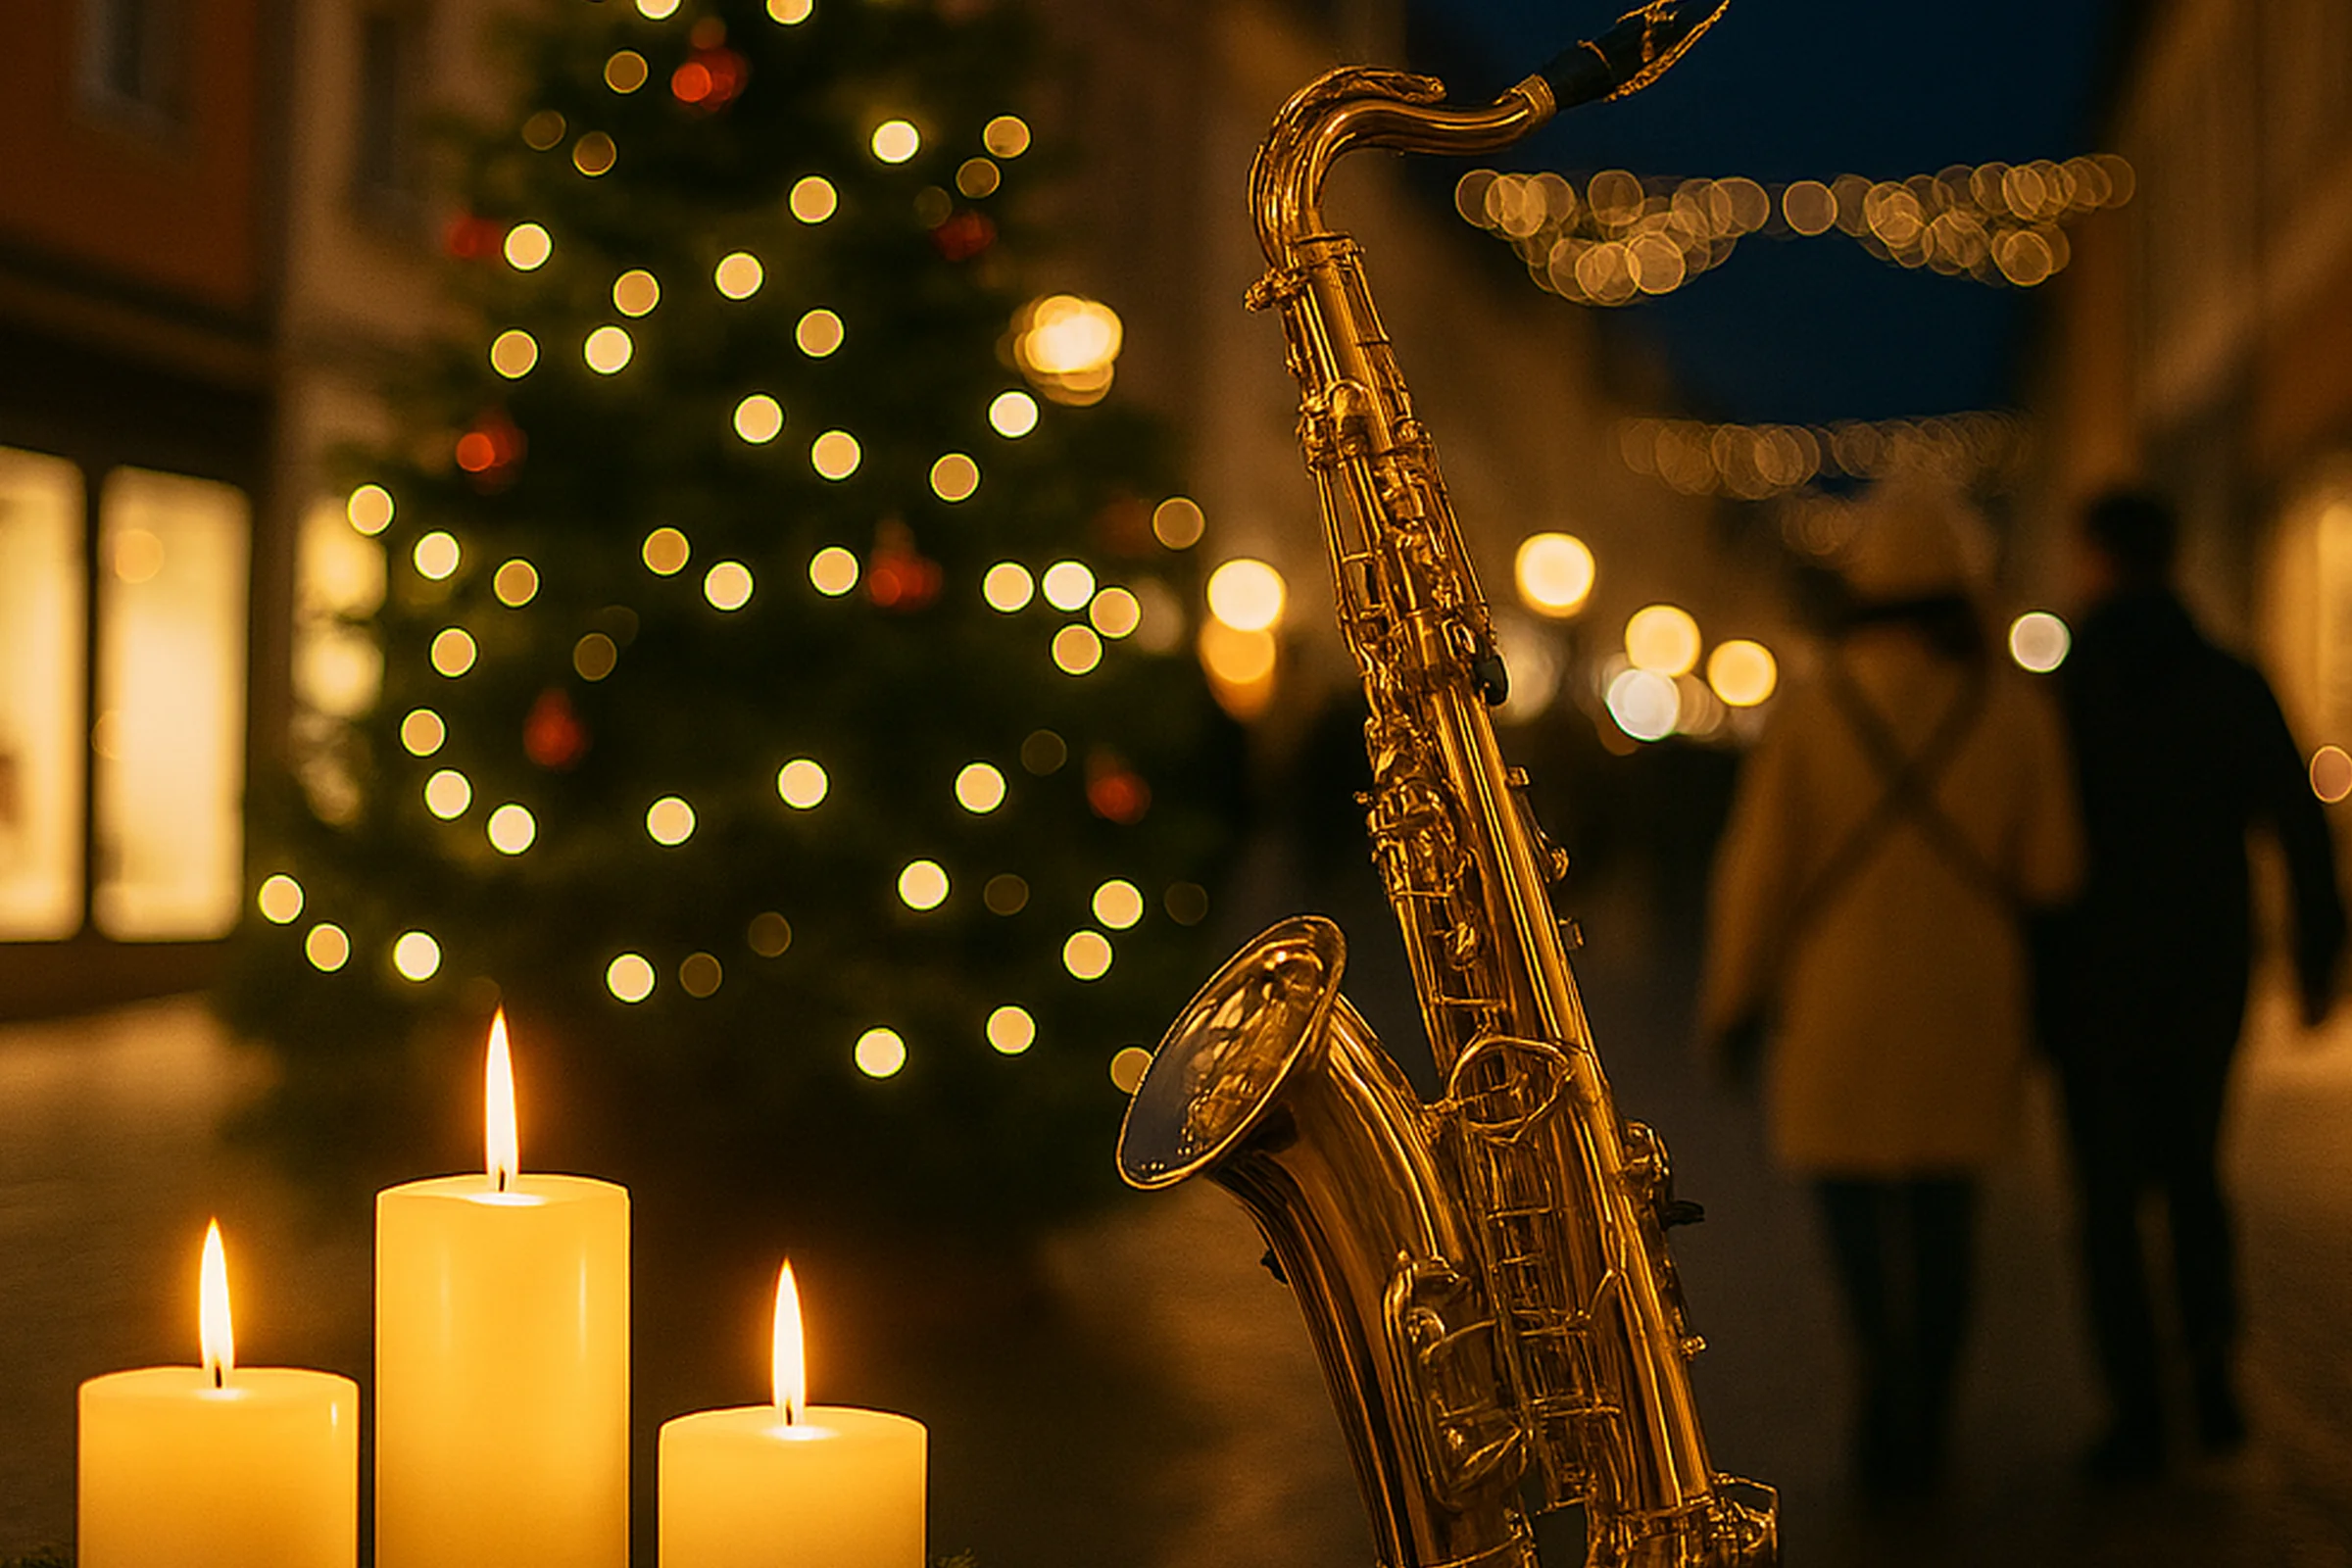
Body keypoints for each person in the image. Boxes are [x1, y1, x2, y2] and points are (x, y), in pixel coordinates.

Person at [1701, 478, 2082, 1498]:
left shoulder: (1813, 709)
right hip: (1967, 1001)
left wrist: (1730, 1003)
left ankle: (1880, 1378)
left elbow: (1760, 872)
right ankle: (1932, 1408)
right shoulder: (2015, 711)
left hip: (1840, 1002)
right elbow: (2054, 870)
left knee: (1857, 1212)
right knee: (1949, 1218)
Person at [2043, 489, 2344, 1481]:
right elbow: (2298, 826)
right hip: (2205, 965)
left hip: (2093, 976)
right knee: (2194, 1172)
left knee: (2108, 1199)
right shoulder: (2229, 677)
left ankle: (2137, 1409)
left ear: (2095, 561)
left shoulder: (2070, 685)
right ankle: (2212, 1373)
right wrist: (2316, 957)